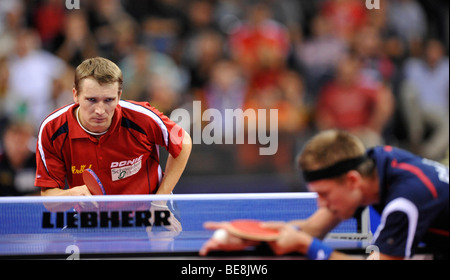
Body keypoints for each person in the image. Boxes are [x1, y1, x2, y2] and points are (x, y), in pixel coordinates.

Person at [200, 130, 449, 259]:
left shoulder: (405, 201)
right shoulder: (372, 164)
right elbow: (310, 229)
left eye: (325, 193)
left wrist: (308, 247)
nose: (320, 203)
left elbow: (306, 240)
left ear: (352, 181)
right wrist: (247, 238)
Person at [35, 57, 192, 226]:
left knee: (164, 243)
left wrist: (159, 202)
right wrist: (72, 194)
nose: (100, 110)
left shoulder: (141, 118)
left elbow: (184, 142)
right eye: (91, 100)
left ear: (119, 96)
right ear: (75, 95)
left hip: (147, 212)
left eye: (108, 100)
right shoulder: (52, 130)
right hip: (91, 219)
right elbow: (49, 201)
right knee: (65, 252)